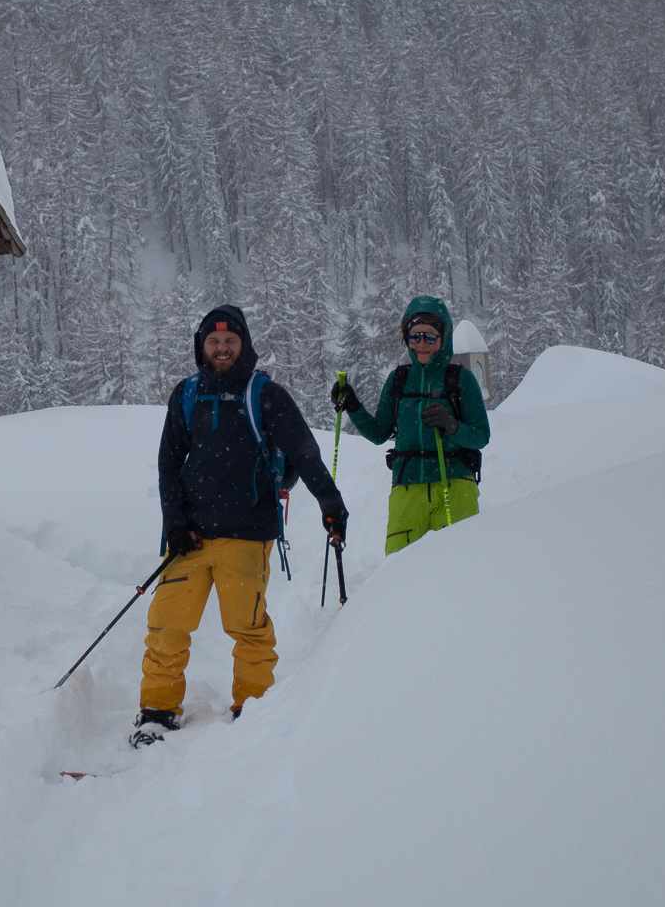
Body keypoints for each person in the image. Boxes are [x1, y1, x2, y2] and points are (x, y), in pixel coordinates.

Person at [134, 305, 348, 747]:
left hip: (248, 533)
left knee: (247, 628)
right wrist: (174, 523)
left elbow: (304, 451)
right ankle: (157, 711)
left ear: (244, 344)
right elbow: (168, 464)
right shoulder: (186, 393)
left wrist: (330, 501)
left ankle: (252, 708)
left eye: (230, 341)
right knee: (166, 626)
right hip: (189, 537)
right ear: (202, 346)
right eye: (213, 341)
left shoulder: (265, 393)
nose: (222, 348)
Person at [331, 296, 490, 556]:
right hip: (407, 488)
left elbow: (481, 436)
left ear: (444, 338)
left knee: (459, 567)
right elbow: (379, 432)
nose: (421, 345)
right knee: (398, 569)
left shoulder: (460, 379)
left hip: (455, 484)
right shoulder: (399, 380)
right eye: (414, 337)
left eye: (430, 337)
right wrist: (353, 406)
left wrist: (452, 426)